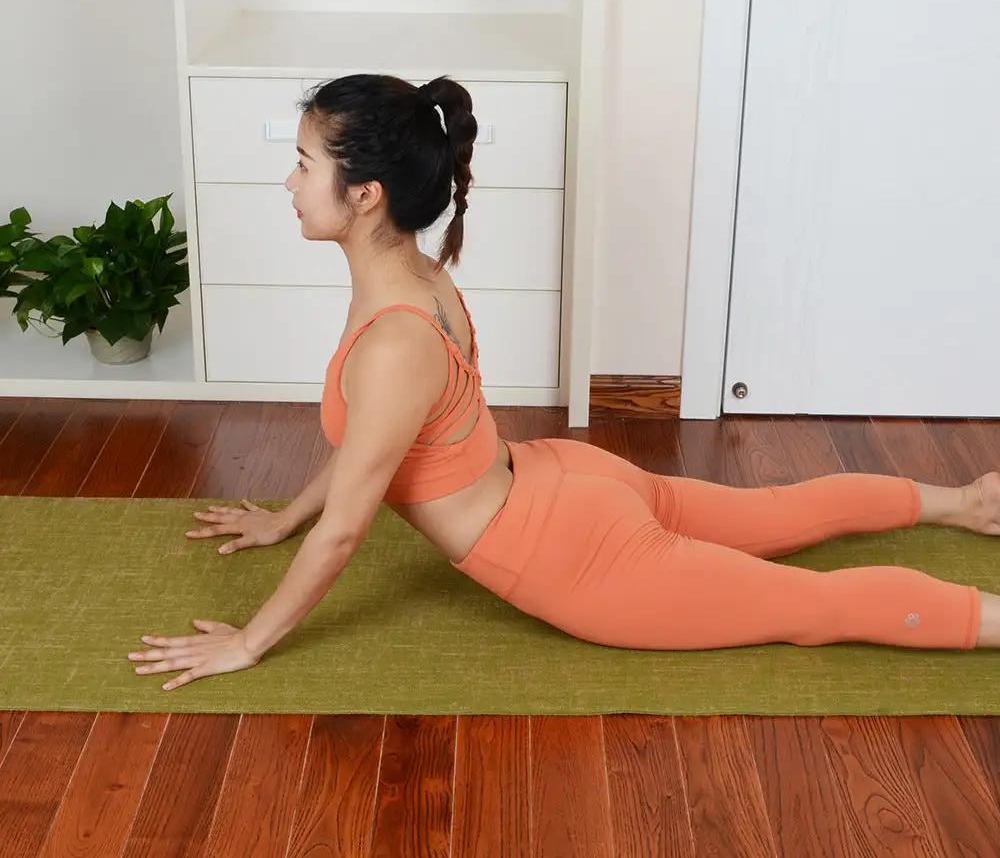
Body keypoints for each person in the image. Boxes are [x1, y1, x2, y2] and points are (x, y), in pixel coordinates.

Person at [202, 73, 1000, 654]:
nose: (291, 180)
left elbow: (347, 530)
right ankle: (962, 502)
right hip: (563, 480)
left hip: (569, 551)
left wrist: (249, 641)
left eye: (305, 163)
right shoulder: (419, 277)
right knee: (777, 511)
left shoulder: (390, 341)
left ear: (366, 192)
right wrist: (280, 518)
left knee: (812, 607)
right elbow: (371, 447)